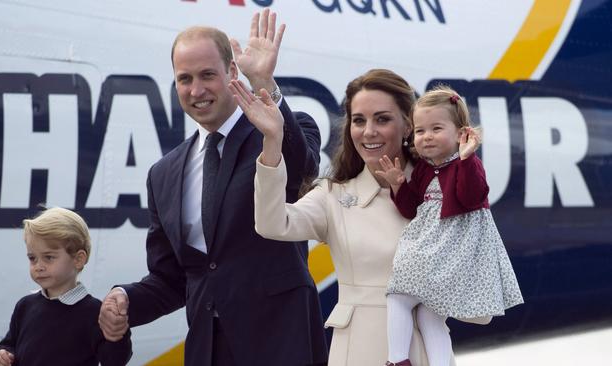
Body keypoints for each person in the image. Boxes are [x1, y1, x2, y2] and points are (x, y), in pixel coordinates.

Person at [97, 9, 327, 366]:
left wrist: (265, 84)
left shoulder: (280, 130)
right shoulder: (164, 174)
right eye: (184, 79)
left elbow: (301, 169)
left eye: (207, 75)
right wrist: (126, 299)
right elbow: (173, 278)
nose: (196, 90)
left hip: (281, 345)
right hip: (207, 351)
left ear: (232, 72)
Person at [235, 69, 487, 366]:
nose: (368, 131)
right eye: (359, 120)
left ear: (408, 126)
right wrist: (272, 143)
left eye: (382, 119)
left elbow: (478, 307)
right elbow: (271, 223)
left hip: (425, 354)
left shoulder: (445, 193)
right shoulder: (334, 196)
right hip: (357, 353)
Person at [379, 86, 524, 366]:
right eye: (420, 131)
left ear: (461, 134)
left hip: (452, 250)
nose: (427, 136)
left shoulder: (467, 164)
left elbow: (472, 197)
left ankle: (397, 360)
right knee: (428, 313)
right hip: (435, 246)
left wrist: (467, 159)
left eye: (436, 128)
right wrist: (398, 184)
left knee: (398, 295)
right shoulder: (424, 169)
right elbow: (412, 209)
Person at [0, 207, 132, 366]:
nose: (39, 266)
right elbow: (10, 344)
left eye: (49, 257)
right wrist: (4, 353)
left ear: (78, 259)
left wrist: (117, 333)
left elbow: (115, 360)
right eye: (33, 258)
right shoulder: (24, 306)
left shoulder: (94, 312)